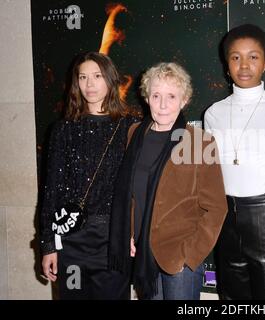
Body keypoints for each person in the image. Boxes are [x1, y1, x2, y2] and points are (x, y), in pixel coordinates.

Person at [108, 62, 227, 300]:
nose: (163, 105)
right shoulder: (135, 134)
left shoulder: (199, 142)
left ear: (184, 100)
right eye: (156, 95)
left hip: (179, 258)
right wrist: (131, 232)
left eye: (171, 96)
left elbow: (216, 207)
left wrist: (190, 254)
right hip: (144, 255)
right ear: (146, 98)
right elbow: (131, 193)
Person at [204, 24, 265, 300]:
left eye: (253, 57)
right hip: (226, 217)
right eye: (235, 57)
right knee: (232, 296)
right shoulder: (213, 114)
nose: (244, 65)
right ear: (226, 63)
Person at [39, 52, 139, 299]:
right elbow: (51, 191)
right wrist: (48, 245)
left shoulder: (131, 127)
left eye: (97, 76)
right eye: (83, 77)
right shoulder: (63, 130)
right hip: (72, 241)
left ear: (110, 79)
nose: (90, 84)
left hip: (114, 241)